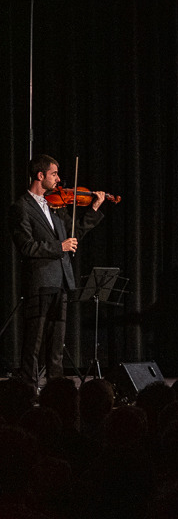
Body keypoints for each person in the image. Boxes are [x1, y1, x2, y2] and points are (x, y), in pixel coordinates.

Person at [8, 154, 105, 387]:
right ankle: (28, 390)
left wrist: (93, 209)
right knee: (34, 341)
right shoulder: (21, 207)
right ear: (40, 175)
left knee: (56, 344)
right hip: (40, 282)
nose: (58, 179)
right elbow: (27, 246)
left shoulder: (55, 206)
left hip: (61, 281)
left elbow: (74, 233)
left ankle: (57, 390)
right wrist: (59, 247)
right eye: (54, 174)